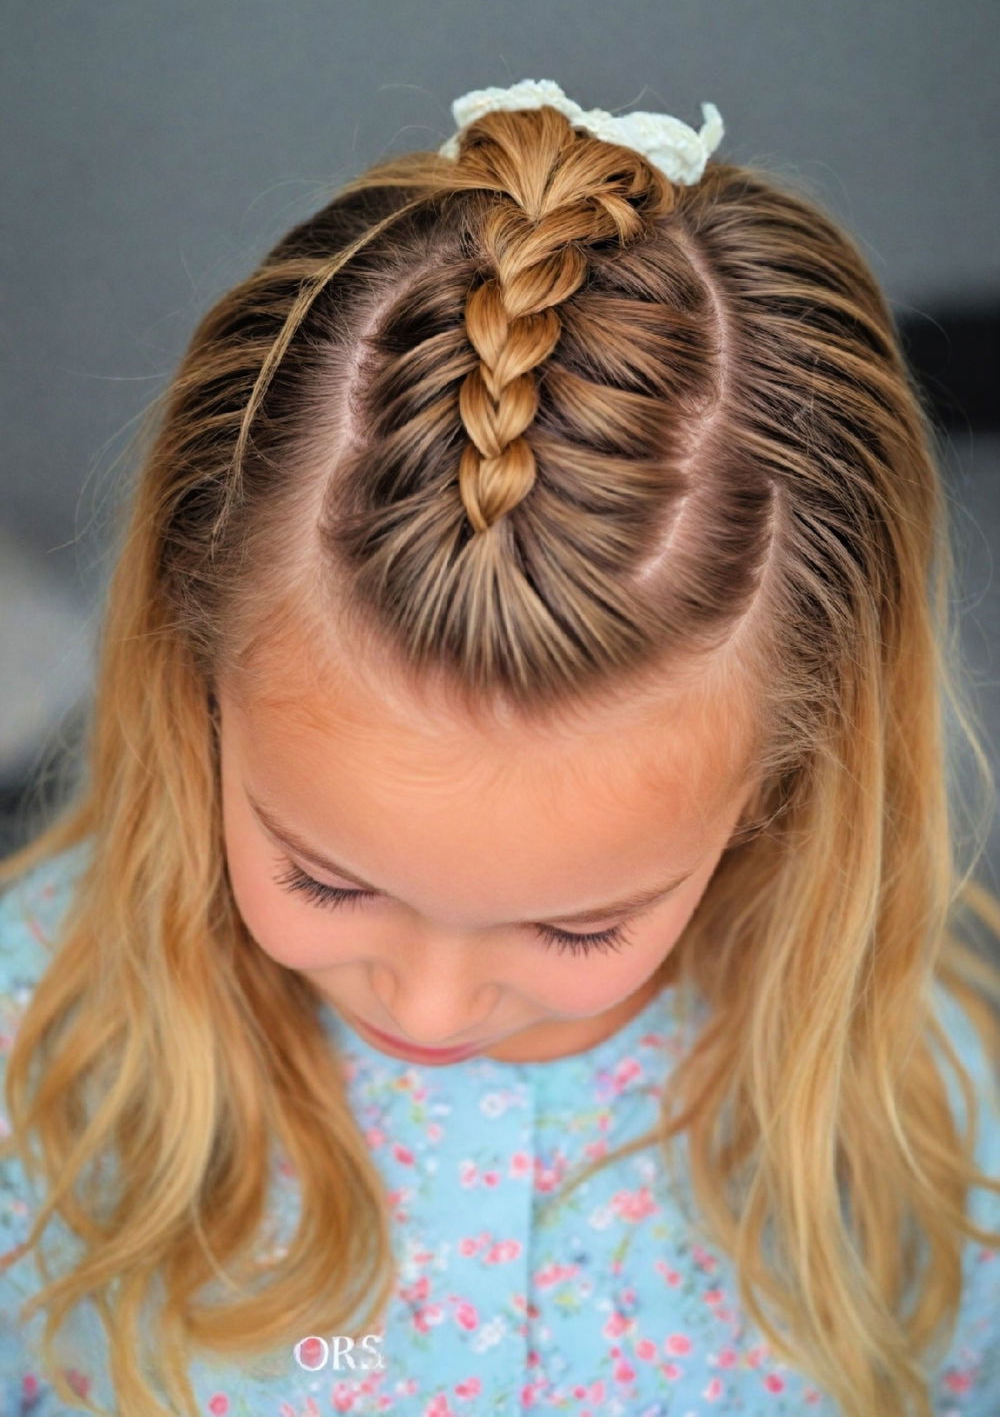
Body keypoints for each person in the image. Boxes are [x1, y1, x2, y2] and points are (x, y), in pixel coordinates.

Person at [1, 77, 999, 1417]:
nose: (427, 1007)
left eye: (579, 928)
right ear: (194, 684)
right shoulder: (35, 1063)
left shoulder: (935, 1149)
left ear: (789, 784)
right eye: (329, 879)